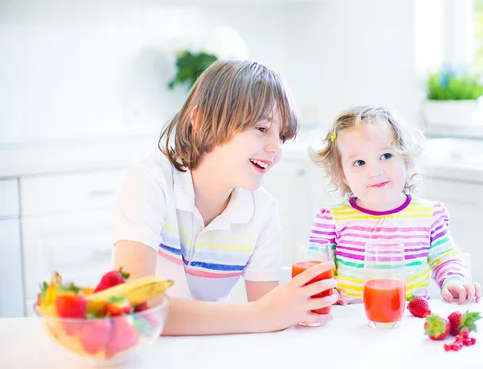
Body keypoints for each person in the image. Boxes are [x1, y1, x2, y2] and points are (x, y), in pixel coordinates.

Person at [112, 59, 337, 335]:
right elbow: (135, 308)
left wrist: (296, 309)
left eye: (282, 136)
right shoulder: (151, 181)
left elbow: (269, 319)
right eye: (262, 129)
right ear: (200, 120)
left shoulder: (262, 211)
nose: (274, 148)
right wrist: (261, 314)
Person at [308, 105, 481, 305]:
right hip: (349, 323)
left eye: (386, 156)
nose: (375, 171)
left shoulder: (428, 215)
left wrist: (453, 281)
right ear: (342, 175)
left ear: (406, 159)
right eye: (359, 163)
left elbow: (446, 258)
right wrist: (329, 292)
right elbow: (317, 271)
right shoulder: (330, 219)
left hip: (409, 321)